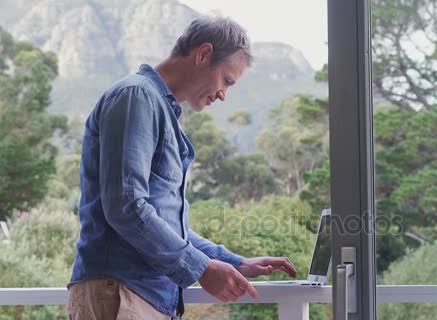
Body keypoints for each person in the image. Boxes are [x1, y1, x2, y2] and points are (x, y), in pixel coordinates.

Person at [67, 15, 297, 319]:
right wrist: (200, 267)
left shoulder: (159, 109)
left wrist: (232, 262)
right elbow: (126, 206)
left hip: (140, 295)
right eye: (226, 80)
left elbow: (166, 222)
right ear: (203, 55)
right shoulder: (136, 96)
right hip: (121, 292)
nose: (223, 94)